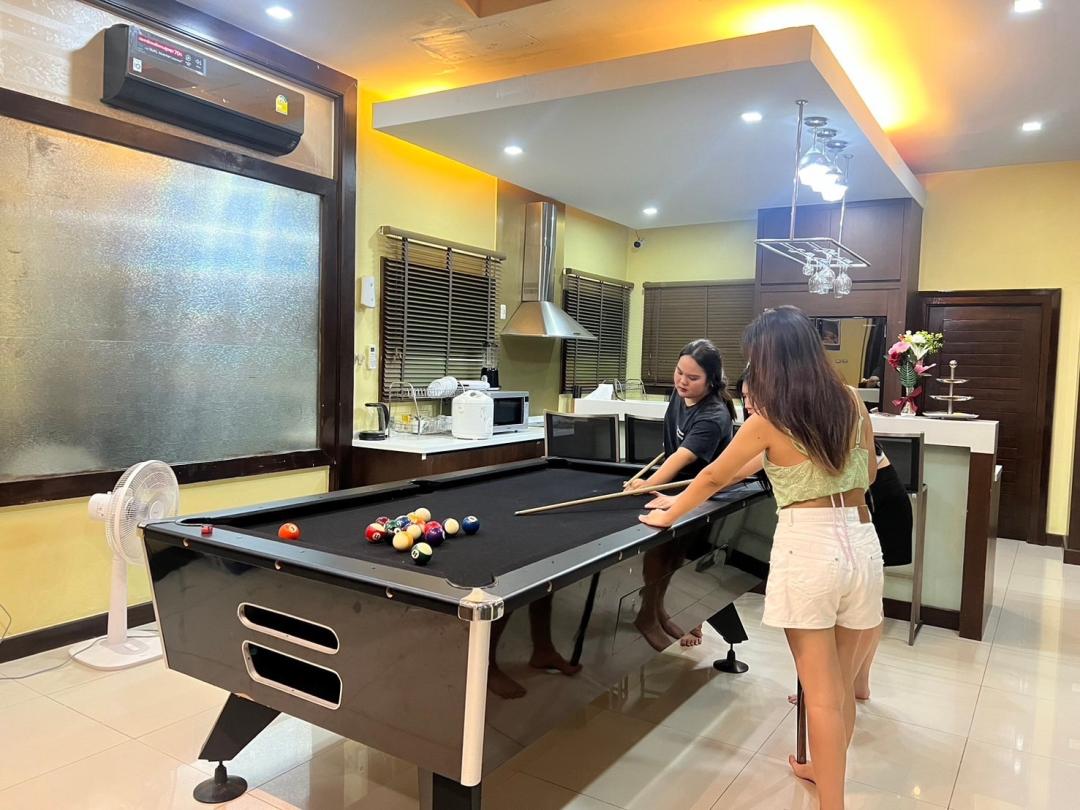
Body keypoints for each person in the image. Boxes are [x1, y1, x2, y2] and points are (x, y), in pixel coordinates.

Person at [641, 306, 882, 810]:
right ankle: (823, 771)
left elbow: (712, 475)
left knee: (820, 695)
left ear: (771, 359)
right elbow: (868, 474)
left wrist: (669, 513)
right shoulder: (850, 400)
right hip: (862, 544)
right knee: (839, 689)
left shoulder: (769, 417)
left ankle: (833, 805)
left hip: (810, 547)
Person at [626, 338, 736, 649]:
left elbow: (682, 457)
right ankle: (653, 611)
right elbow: (672, 449)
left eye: (693, 377)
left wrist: (649, 483)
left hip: (702, 493)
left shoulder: (714, 415)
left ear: (711, 380)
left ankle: (652, 613)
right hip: (679, 486)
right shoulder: (680, 394)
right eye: (679, 372)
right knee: (661, 551)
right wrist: (649, 481)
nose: (682, 382)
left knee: (673, 556)